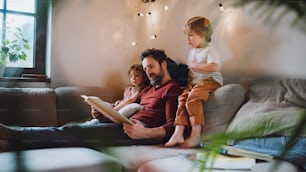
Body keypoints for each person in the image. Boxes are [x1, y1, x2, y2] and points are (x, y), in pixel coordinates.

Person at [0, 48, 182, 151]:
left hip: (140, 134)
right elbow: (129, 106)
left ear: (163, 64)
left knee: (75, 131)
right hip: (125, 124)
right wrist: (103, 111)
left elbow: (171, 125)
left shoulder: (172, 90)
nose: (148, 72)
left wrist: (147, 133)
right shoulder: (148, 89)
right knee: (76, 127)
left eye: (151, 66)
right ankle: (11, 142)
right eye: (145, 68)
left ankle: (15, 134)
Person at [165, 16, 223, 148]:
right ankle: (178, 132)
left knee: (193, 99)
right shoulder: (192, 51)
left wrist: (197, 65)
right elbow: (192, 72)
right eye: (186, 36)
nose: (187, 39)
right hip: (196, 82)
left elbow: (214, 67)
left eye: (190, 35)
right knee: (182, 99)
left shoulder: (210, 49)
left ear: (202, 34)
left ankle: (196, 134)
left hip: (210, 80)